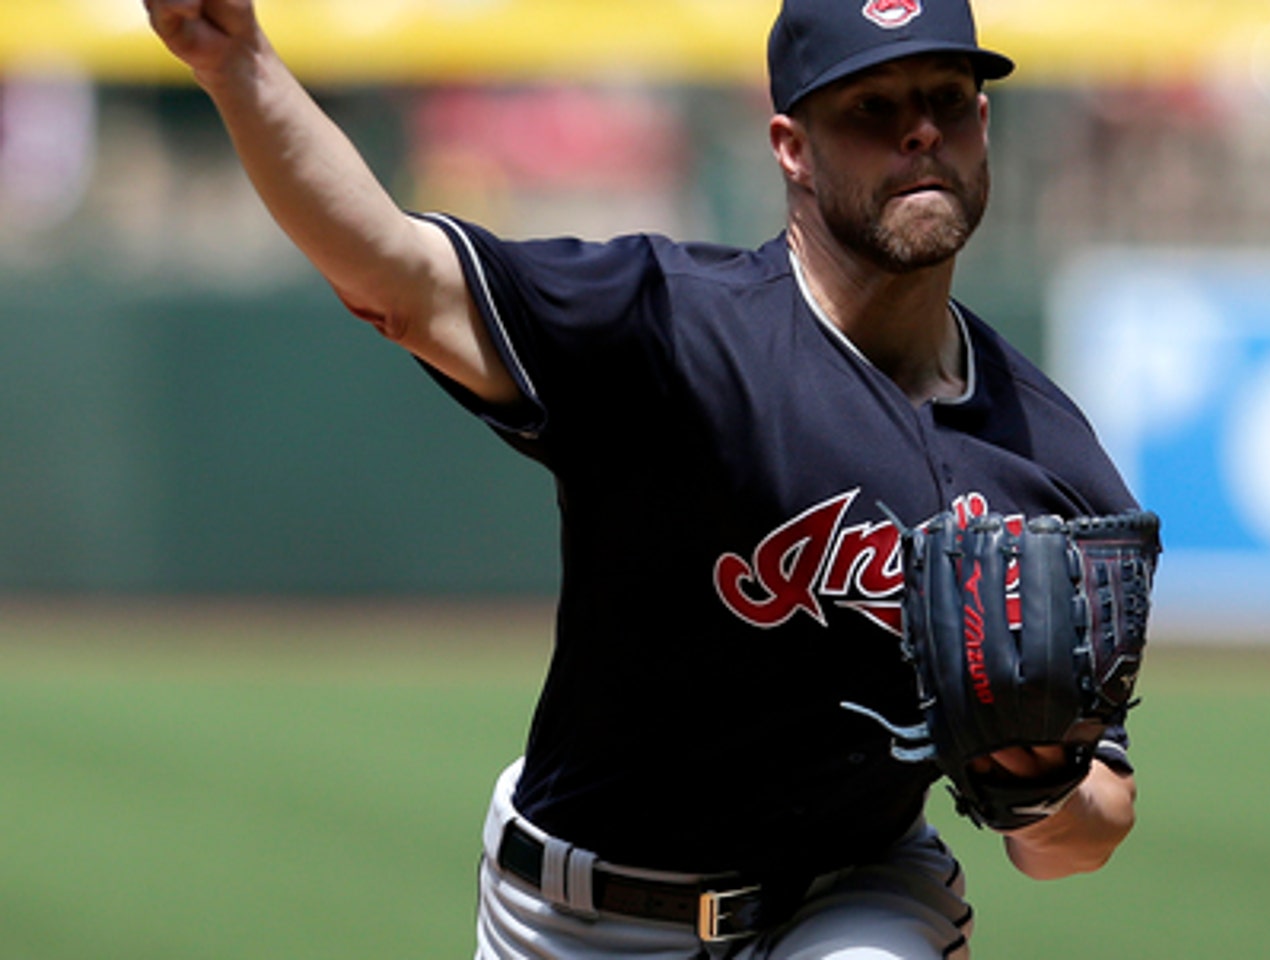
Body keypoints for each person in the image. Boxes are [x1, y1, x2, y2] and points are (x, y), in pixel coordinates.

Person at [145, 0, 1142, 956]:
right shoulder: (674, 331)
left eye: (942, 98)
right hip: (576, 915)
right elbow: (396, 280)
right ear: (791, 147)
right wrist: (238, 65)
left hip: (855, 895)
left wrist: (1041, 785)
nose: (916, 132)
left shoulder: (1045, 459)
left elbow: (1082, 836)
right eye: (871, 108)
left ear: (981, 123)